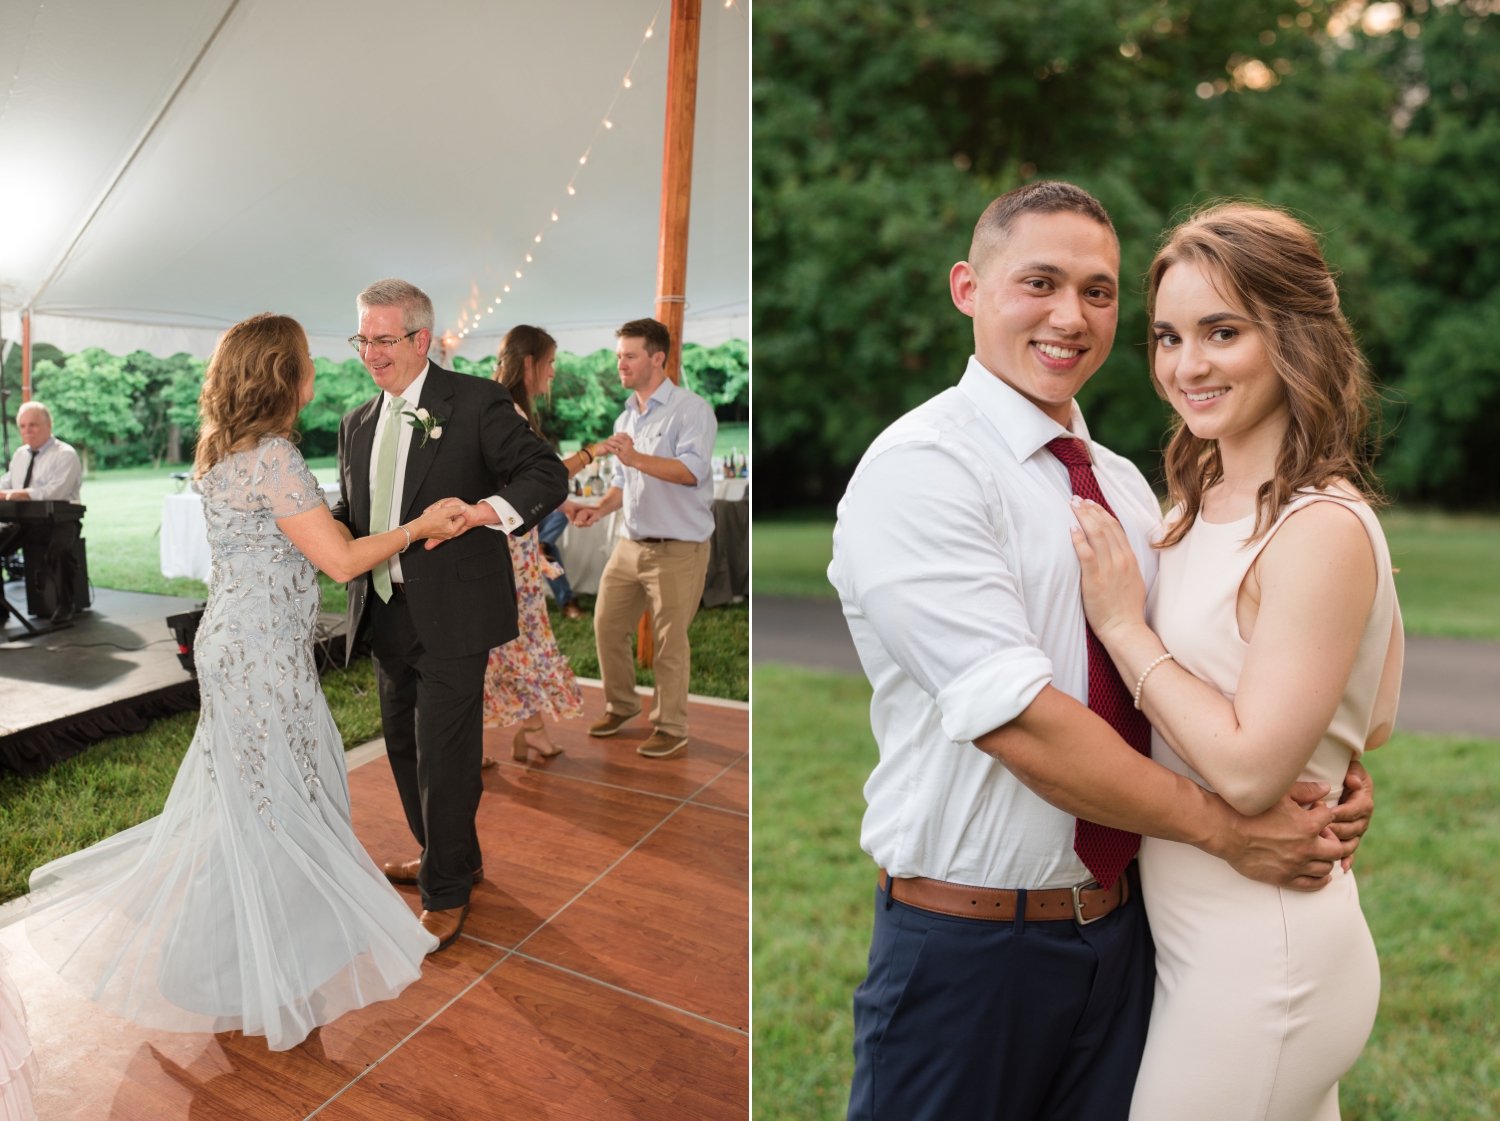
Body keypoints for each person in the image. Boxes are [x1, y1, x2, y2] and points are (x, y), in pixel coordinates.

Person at [828, 181, 1376, 1121]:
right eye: (1038, 281)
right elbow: (1025, 724)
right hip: (971, 947)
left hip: (1130, 941)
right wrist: (1227, 824)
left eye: (1099, 292)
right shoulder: (923, 469)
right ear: (968, 286)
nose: (1070, 316)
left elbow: (1202, 675)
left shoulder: (1124, 486)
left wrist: (1322, 765)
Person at [25, 313, 468, 1051]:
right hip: (260, 654)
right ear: (283, 377)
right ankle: (268, 970)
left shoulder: (222, 450)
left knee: (258, 803)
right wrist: (420, 524)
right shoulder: (276, 458)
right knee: (291, 802)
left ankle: (242, 966)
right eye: (307, 364)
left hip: (237, 645)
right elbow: (340, 560)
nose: (318, 376)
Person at [1068, 202, 1398, 1120]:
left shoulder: (1318, 526)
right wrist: (1337, 759)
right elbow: (1364, 721)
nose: (1187, 364)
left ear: (1295, 337)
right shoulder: (1196, 494)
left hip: (1268, 961)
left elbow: (1255, 770)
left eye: (1223, 331)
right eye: (1169, 336)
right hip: (1194, 945)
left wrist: (1126, 626)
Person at [329, 280, 569, 950]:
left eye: (382, 339)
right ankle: (445, 851)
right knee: (403, 747)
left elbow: (546, 475)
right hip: (384, 611)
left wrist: (482, 513)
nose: (369, 354)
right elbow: (356, 519)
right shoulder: (356, 423)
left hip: (455, 612)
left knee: (447, 750)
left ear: (420, 339)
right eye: (362, 339)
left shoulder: (475, 401)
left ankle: (447, 889)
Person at [571, 318, 717, 760]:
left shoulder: (692, 410)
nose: (621, 364)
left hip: (679, 549)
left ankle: (672, 727)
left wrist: (636, 456)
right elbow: (623, 481)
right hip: (629, 545)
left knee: (670, 643)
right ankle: (622, 705)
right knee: (606, 626)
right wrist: (599, 509)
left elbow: (691, 472)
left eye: (629, 356)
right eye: (618, 356)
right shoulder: (625, 416)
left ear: (657, 358)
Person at [480, 324, 595, 762]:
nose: (551, 375)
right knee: (509, 640)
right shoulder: (505, 410)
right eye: (549, 365)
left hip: (517, 544)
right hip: (506, 549)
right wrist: (590, 454)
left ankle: (531, 730)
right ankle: (505, 735)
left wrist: (564, 509)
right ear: (529, 363)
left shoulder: (500, 405)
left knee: (516, 640)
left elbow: (520, 485)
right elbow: (535, 478)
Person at [0, 401, 84, 621]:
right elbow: (7, 483)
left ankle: (65, 604)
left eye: (33, 425)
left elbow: (56, 491)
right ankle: (1, 611)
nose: (27, 431)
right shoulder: (20, 455)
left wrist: (20, 494)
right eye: (23, 426)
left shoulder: (65, 454)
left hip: (60, 520)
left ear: (48, 425)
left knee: (60, 549)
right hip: (25, 522)